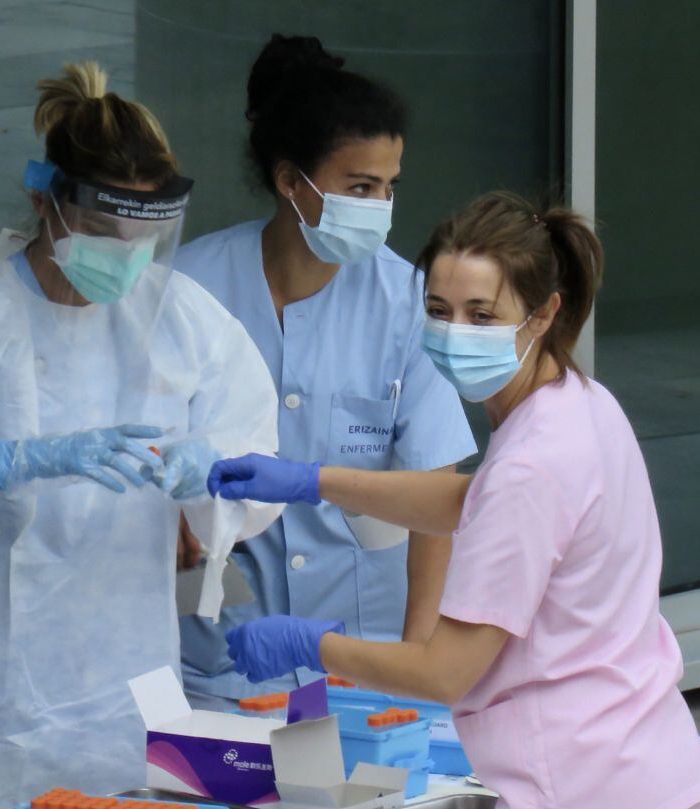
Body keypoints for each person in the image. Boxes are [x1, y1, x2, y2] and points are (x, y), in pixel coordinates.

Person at [0, 62, 282, 809]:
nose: (126, 255)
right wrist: (1, 463)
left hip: (130, 691)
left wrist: (211, 472)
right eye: (104, 231)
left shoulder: (181, 319)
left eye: (145, 235)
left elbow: (256, 465)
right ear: (45, 199)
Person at [209, 193, 700, 809]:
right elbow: (475, 499)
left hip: (579, 782)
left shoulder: (531, 466)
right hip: (650, 760)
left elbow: (443, 673)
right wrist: (313, 481)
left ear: (544, 313)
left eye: (481, 315)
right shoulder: (581, 404)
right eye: (438, 311)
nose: (455, 333)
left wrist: (307, 645)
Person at [173, 34, 476, 709]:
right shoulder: (190, 288)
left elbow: (436, 498)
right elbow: (140, 442)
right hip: (220, 655)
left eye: (389, 187)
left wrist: (417, 664)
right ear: (291, 181)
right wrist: (170, 516)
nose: (379, 206)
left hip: (362, 661)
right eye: (360, 186)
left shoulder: (408, 301)